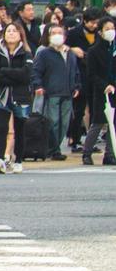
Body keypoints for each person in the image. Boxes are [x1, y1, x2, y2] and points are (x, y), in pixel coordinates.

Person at [0, 22, 34, 174]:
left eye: (15, 31)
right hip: (2, 94)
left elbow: (26, 75)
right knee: (2, 127)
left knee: (20, 128)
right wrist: (11, 75)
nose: (11, 33)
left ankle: (18, 160)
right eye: (8, 31)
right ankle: (0, 158)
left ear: (21, 35)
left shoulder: (26, 53)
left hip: (21, 95)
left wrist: (6, 71)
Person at [32, 22, 80, 162]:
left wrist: (77, 86)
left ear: (65, 36)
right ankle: (53, 149)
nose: (57, 36)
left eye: (60, 33)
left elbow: (75, 72)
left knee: (64, 123)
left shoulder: (70, 53)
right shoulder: (44, 53)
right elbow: (36, 71)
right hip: (51, 92)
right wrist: (38, 85)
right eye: (53, 33)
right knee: (53, 122)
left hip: (68, 92)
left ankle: (55, 148)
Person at [78, 14, 115, 166]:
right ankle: (87, 153)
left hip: (114, 89)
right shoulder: (93, 51)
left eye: (113, 28)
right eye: (107, 29)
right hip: (101, 91)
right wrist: (104, 85)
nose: (111, 31)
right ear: (100, 32)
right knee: (98, 122)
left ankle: (110, 154)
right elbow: (91, 74)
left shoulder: (114, 49)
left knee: (113, 123)